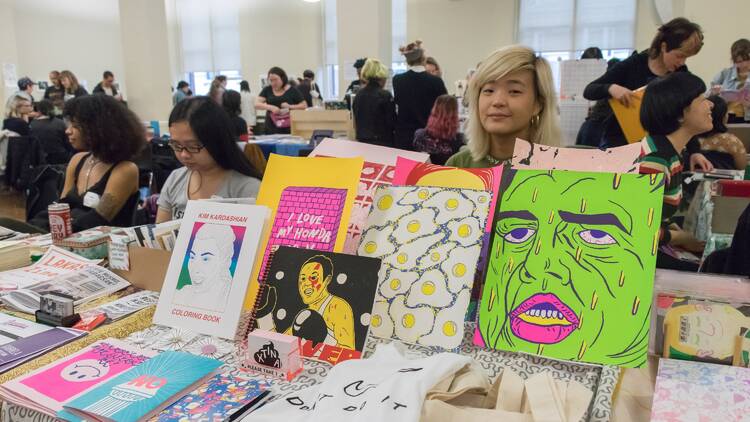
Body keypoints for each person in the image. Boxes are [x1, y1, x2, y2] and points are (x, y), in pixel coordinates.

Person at [0, 95, 145, 233]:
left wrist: (51, 232)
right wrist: (35, 227)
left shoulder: (125, 169)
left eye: (75, 126)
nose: (68, 131)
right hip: (64, 235)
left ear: (100, 129)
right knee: (5, 225)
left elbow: (99, 219)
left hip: (96, 242)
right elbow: (61, 206)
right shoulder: (78, 160)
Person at [581, 17, 705, 150]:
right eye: (679, 56)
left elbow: (689, 117)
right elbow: (589, 90)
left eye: (686, 58)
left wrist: (695, 152)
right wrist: (611, 88)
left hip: (657, 146)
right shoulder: (634, 64)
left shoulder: (681, 75)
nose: (682, 62)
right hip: (620, 142)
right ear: (664, 47)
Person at [638, 72, 713, 269]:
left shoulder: (670, 152)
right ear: (680, 114)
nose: (710, 105)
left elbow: (658, 216)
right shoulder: (656, 160)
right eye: (702, 99)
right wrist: (681, 238)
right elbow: (637, 229)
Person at [445, 45, 561, 168]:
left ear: (538, 104)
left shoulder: (559, 170)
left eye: (514, 91)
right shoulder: (457, 166)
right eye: (489, 90)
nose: (497, 101)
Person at [156, 97, 262, 222]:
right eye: (176, 145)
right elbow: (160, 232)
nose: (184, 154)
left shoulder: (246, 187)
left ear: (217, 141)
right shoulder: (176, 178)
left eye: (193, 146)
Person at [393, 40, 448, 150]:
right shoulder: (436, 81)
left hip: (405, 136)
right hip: (430, 136)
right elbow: (445, 108)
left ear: (408, 61)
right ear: (423, 59)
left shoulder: (398, 80)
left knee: (406, 166)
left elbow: (399, 102)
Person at [175, 223, 237, 311]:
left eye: (205, 259)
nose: (195, 269)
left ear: (224, 261)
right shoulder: (183, 294)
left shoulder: (231, 299)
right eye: (192, 257)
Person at [352, 58, 395, 147]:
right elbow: (391, 122)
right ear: (381, 78)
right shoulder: (385, 95)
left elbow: (356, 121)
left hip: (362, 141)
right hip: (382, 142)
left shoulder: (358, 95)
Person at [697, 95, 747, 170]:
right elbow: (743, 168)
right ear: (723, 116)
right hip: (725, 181)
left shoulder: (690, 139)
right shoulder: (731, 141)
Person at [413, 94, 463, 165]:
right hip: (447, 174)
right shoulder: (458, 141)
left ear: (434, 110)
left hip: (424, 174)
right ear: (455, 113)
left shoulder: (419, 136)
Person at [709, 38, 750, 123]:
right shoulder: (725, 74)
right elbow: (706, 96)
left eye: (747, 60)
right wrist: (715, 93)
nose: (744, 64)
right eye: (739, 61)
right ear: (734, 60)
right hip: (728, 118)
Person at [255, 67, 306, 135]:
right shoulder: (267, 90)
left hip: (289, 126)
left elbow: (304, 105)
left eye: (276, 80)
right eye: (271, 80)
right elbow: (256, 104)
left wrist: (290, 106)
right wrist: (271, 107)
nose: (273, 83)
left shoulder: (292, 90)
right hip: (271, 126)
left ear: (283, 78)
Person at [29, 99, 74, 164]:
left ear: (39, 110)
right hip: (60, 159)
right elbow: (68, 143)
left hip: (40, 160)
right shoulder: (60, 123)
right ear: (52, 108)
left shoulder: (32, 125)